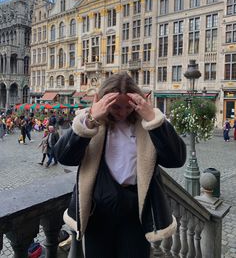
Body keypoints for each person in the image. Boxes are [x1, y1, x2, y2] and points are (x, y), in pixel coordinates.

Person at [55, 72, 186, 258]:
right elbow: (64, 156)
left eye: (128, 107)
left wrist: (153, 119)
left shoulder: (146, 124)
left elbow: (176, 159)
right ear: (100, 100)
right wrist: (91, 118)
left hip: (135, 213)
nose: (123, 112)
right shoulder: (91, 121)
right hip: (97, 212)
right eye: (116, 107)